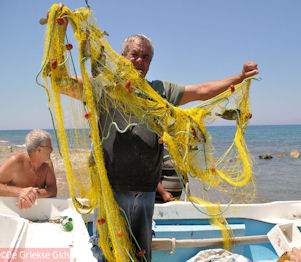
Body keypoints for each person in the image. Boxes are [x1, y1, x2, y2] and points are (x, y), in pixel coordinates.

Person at [58, 29, 258, 261]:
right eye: (135, 55)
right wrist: (61, 34)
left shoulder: (160, 91)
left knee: (140, 252)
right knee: (106, 252)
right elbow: (62, 83)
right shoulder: (102, 87)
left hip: (145, 191)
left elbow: (202, 91)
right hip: (109, 189)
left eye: (146, 57)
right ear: (122, 56)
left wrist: (239, 77)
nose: (140, 61)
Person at [0, 129, 57, 209]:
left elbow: (53, 190)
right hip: (14, 211)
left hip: (37, 213)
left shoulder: (47, 163)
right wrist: (20, 192)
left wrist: (34, 194)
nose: (52, 150)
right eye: (49, 146)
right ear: (39, 149)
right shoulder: (16, 161)